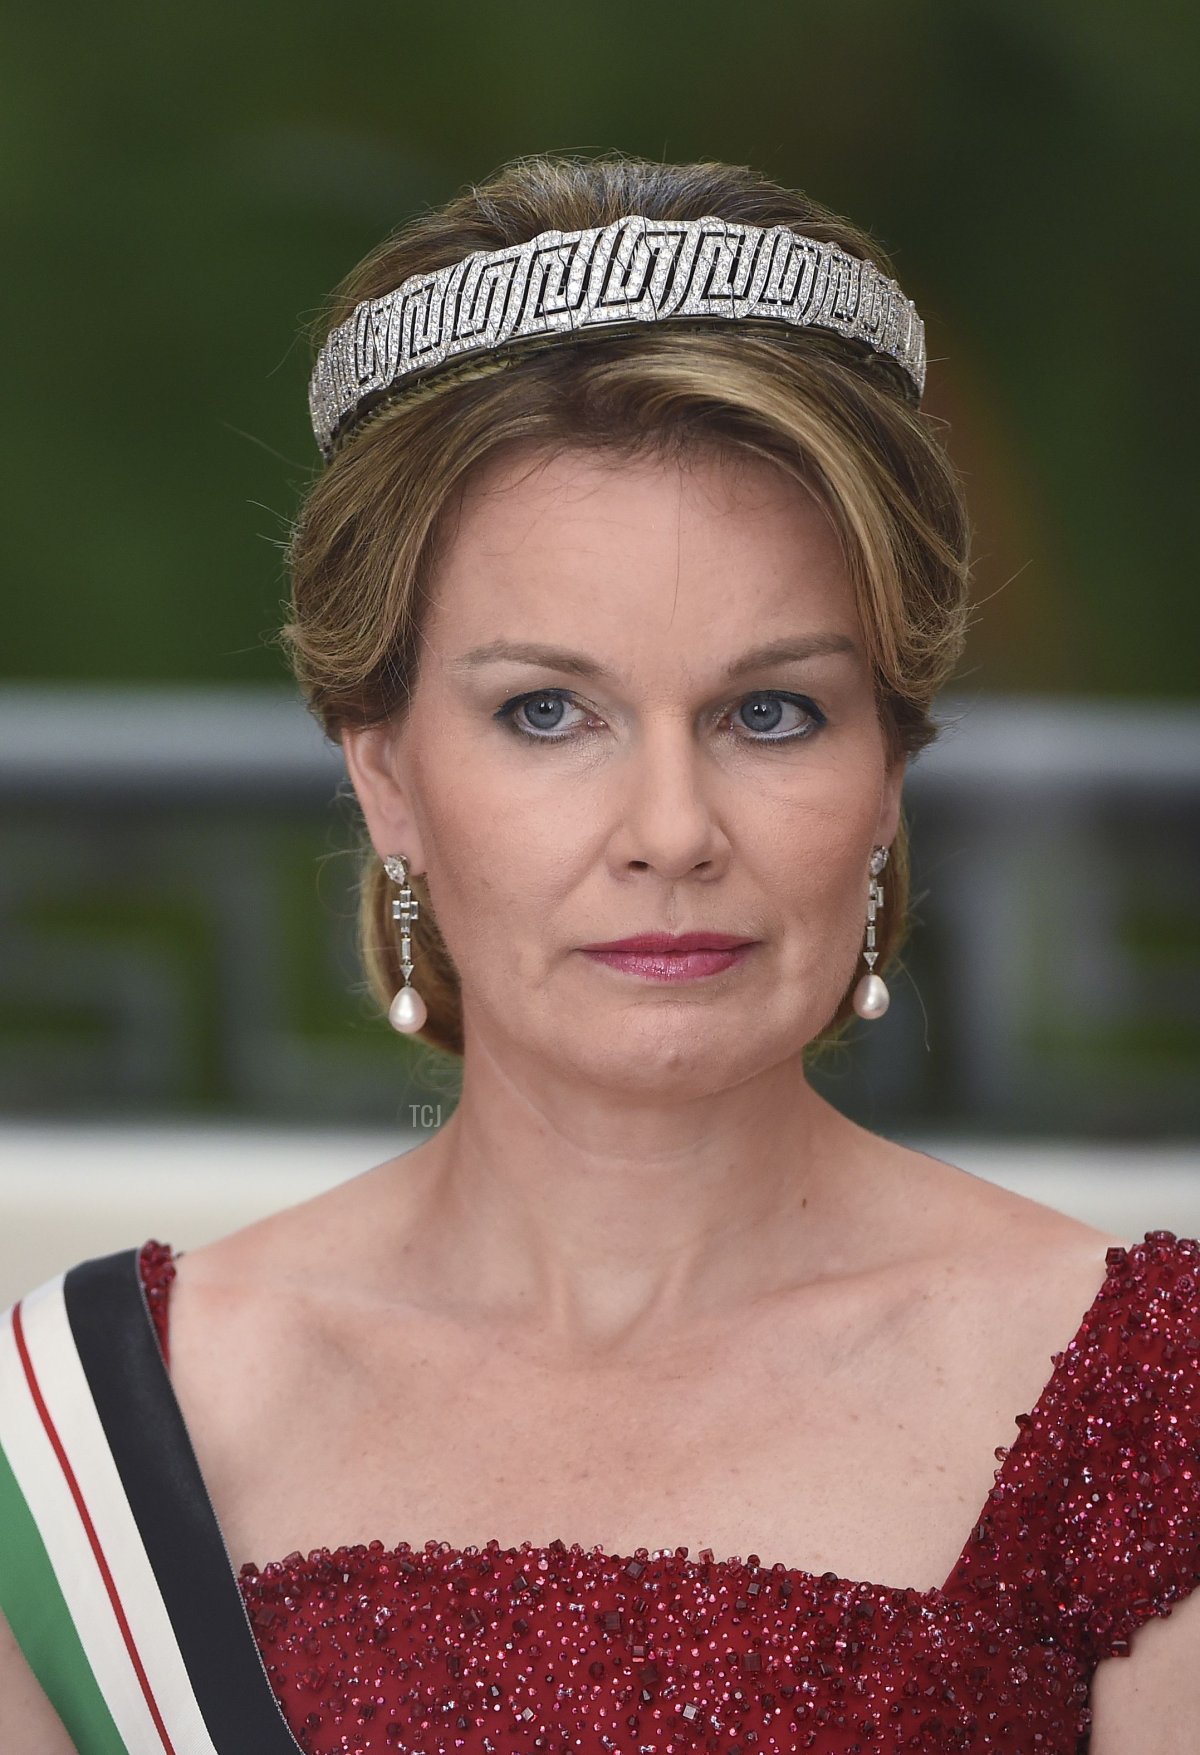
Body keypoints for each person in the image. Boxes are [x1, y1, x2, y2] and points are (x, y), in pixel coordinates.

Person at [1, 152, 1196, 1754]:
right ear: (386, 771)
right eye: (546, 712)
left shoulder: (1144, 1409)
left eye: (771, 712)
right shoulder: (88, 1431)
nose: (671, 827)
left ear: (890, 770)